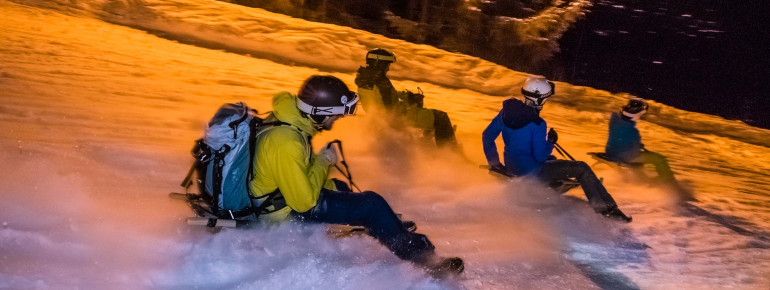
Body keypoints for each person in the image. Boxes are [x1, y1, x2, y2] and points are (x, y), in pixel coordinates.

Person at [248, 75, 463, 275]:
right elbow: (304, 203)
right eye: (336, 114)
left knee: (339, 187)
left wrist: (320, 160)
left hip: (278, 197)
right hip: (280, 212)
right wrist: (324, 160)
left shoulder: (291, 122)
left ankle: (387, 226)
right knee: (371, 204)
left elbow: (296, 169)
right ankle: (423, 258)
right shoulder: (286, 141)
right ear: (320, 112)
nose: (338, 118)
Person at [481, 76, 632, 222]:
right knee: (582, 168)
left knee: (552, 160)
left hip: (512, 167)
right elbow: (540, 156)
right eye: (545, 98)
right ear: (539, 99)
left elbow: (487, 136)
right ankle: (607, 210)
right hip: (533, 172)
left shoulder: (505, 113)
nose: (545, 101)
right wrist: (551, 142)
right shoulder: (538, 124)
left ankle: (549, 189)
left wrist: (495, 164)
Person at [355, 48, 458, 147]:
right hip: (397, 119)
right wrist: (410, 105)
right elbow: (390, 111)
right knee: (441, 117)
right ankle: (452, 153)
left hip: (377, 120)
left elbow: (386, 97)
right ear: (380, 64)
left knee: (422, 112)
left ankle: (425, 141)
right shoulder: (381, 82)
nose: (388, 68)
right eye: (387, 65)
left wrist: (407, 96)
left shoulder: (365, 79)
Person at [605, 98, 691, 199]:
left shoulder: (615, 120)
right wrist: (638, 148)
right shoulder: (629, 129)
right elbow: (630, 146)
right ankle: (670, 186)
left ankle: (643, 178)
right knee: (659, 159)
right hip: (623, 155)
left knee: (643, 158)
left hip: (611, 150)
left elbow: (622, 139)